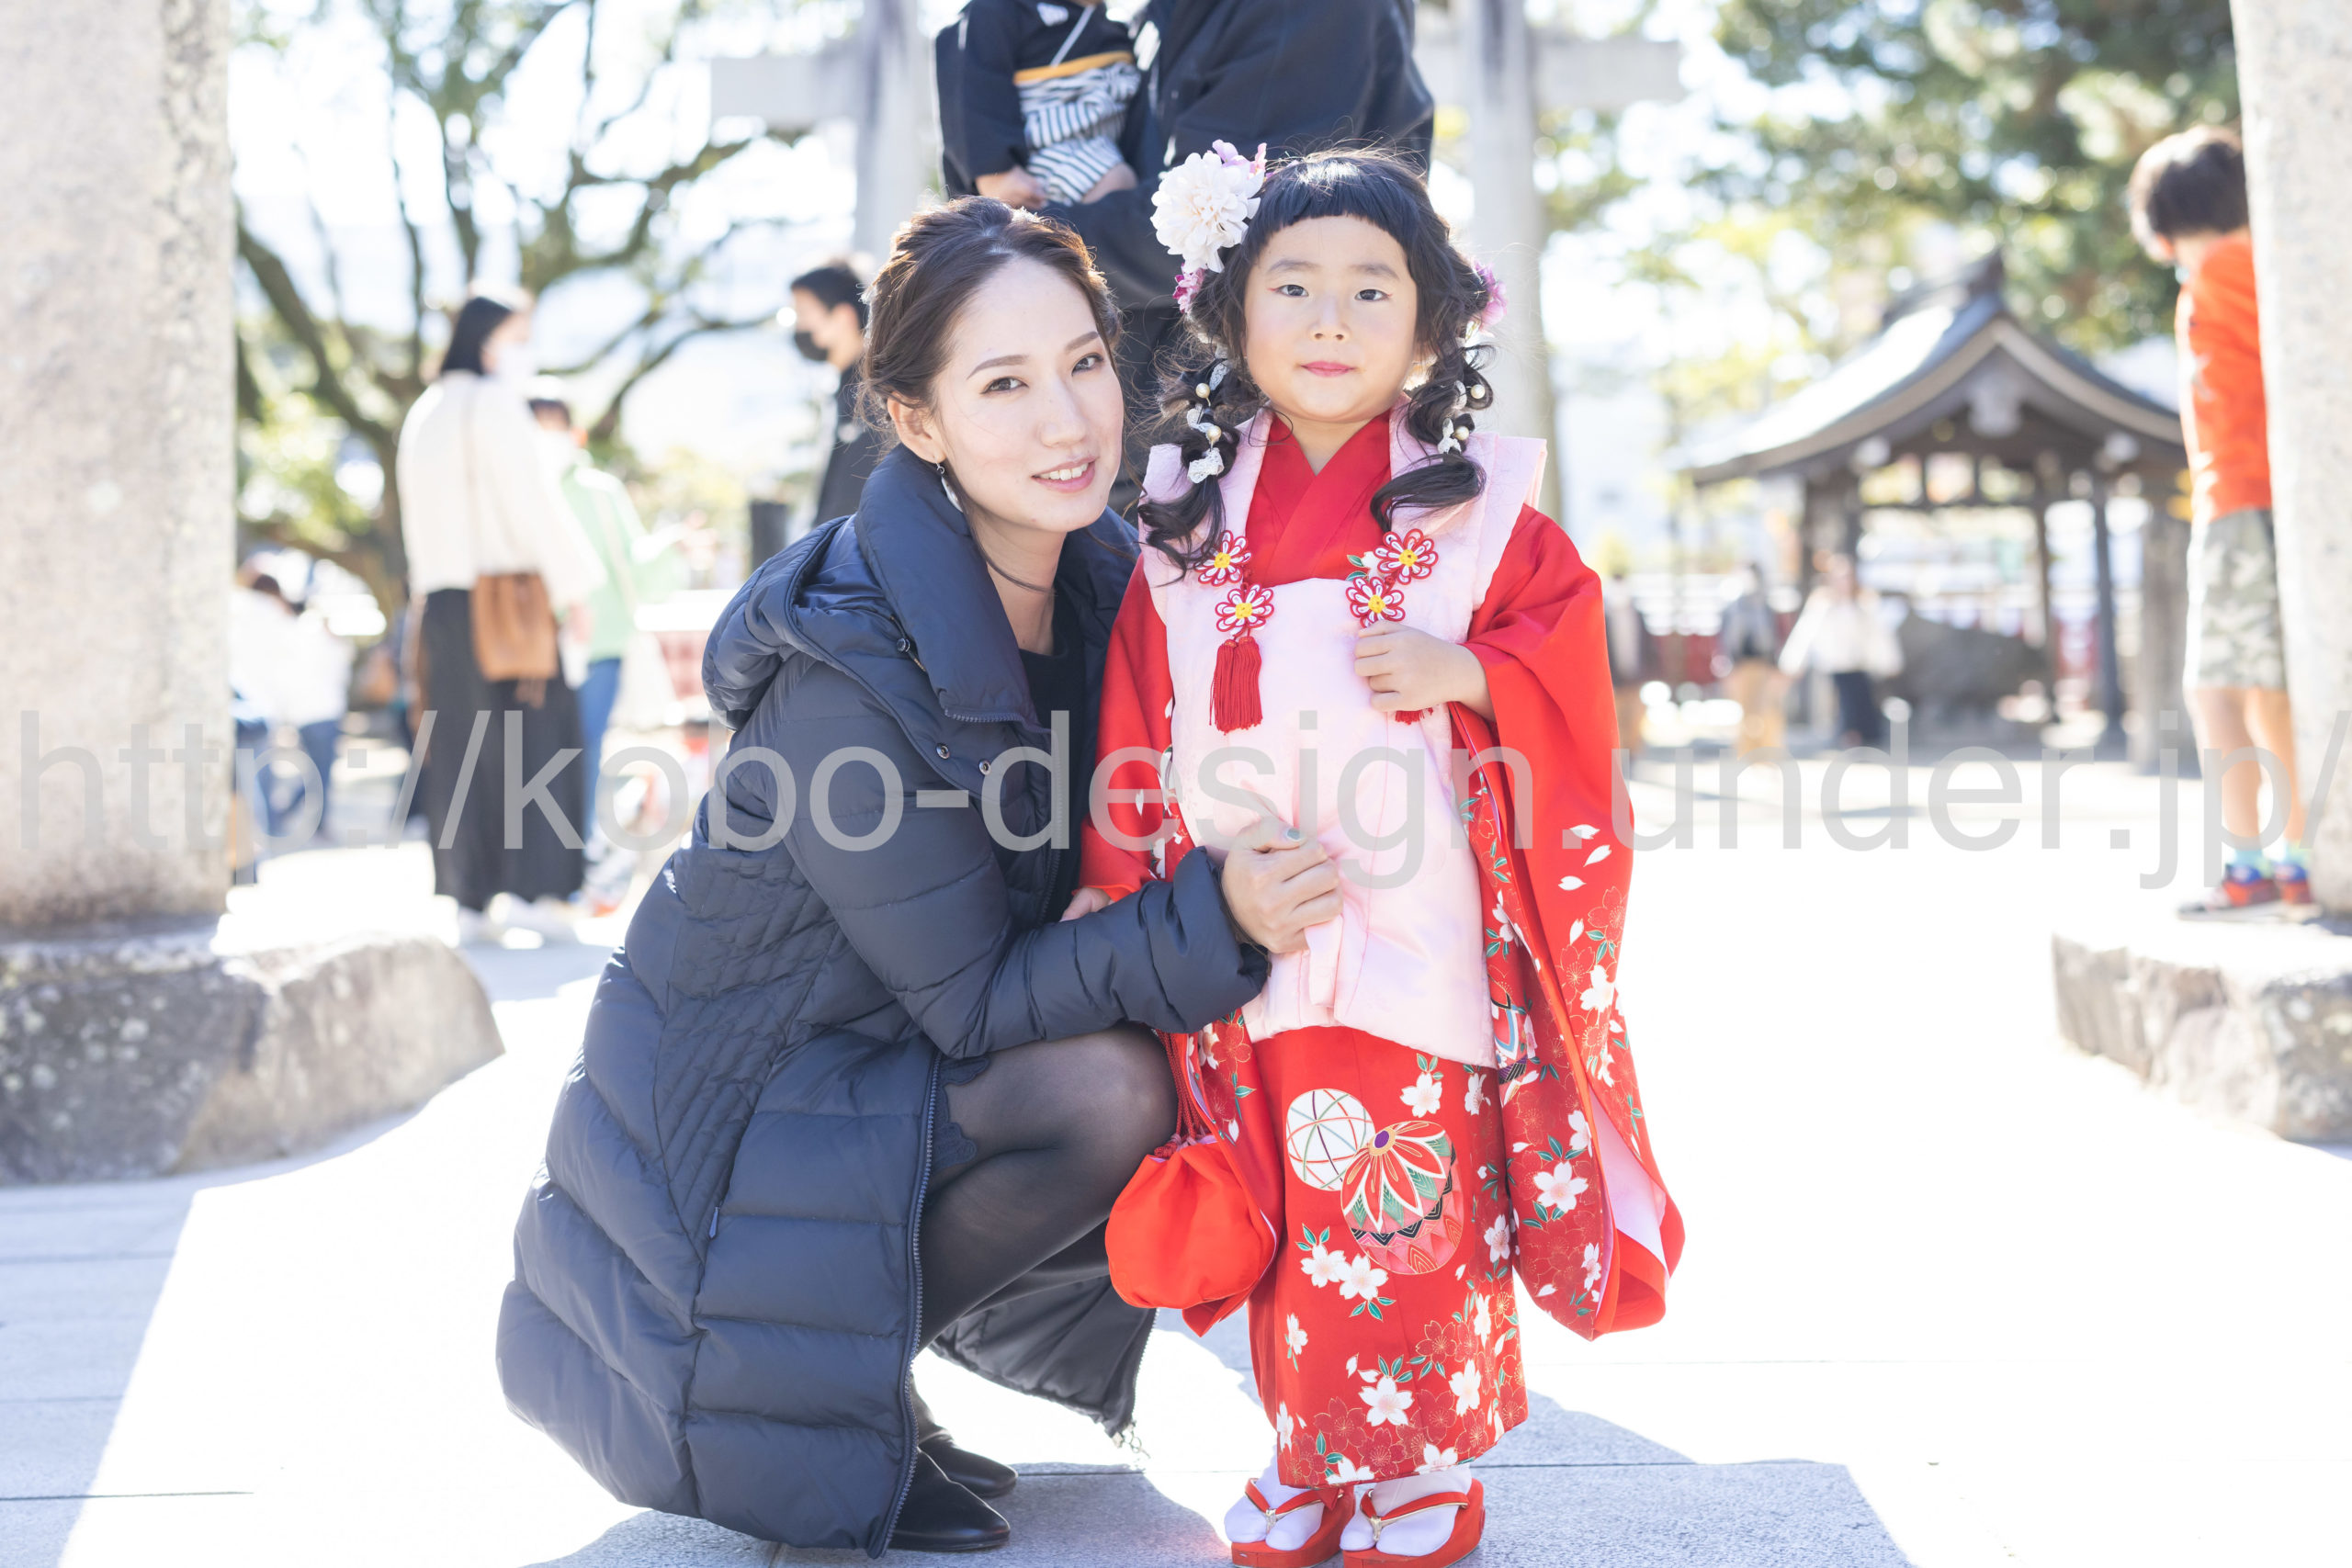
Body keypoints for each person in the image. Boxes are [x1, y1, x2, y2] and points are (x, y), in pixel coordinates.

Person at [496, 198, 1340, 1555]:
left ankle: (856, 1381)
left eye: (1083, 361)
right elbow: (975, 1002)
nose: (1067, 418)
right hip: (714, 1175)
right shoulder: (852, 661)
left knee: (1164, 1031)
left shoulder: (1106, 583)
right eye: (1002, 384)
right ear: (916, 418)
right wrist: (1207, 914)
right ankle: (809, 1395)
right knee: (1112, 1082)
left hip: (859, 1081)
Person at [1080, 149, 1681, 1568]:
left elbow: (1569, 673)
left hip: (1413, 916)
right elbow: (1133, 713)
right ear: (1229, 312)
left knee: (1402, 1191)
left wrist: (1470, 670)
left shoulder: (1480, 509)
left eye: (1372, 288)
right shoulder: (1179, 519)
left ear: (1430, 326)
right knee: (1280, 1195)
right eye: (1292, 285)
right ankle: (1306, 1448)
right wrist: (1124, 891)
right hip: (1244, 915)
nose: (1330, 318)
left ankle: (1423, 1461)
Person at [941, 0, 1433, 489]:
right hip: (1148, 444)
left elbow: (1215, 227)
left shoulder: (1302, 13)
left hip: (1222, 456)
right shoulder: (1154, 19)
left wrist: (1009, 239)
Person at [2130, 126, 2311, 918]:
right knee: (2271, 688)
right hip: (2285, 499)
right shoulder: (2276, 266)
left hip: (2238, 499)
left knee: (2215, 690)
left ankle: (2248, 862)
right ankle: (2300, 854)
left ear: (2163, 222)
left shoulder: (2214, 279)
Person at [394, 289, 604, 943]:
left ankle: (470, 897)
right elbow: (530, 504)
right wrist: (573, 589)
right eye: (520, 335)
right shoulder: (492, 404)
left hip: (443, 602)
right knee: (539, 739)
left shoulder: (425, 411)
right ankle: (536, 891)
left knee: (462, 748)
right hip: (508, 599)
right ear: (490, 339)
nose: (525, 349)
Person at [526, 389, 681, 845]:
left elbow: (634, 565)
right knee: (536, 749)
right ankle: (550, 845)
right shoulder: (516, 492)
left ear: (574, 433)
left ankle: (579, 845)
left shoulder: (600, 492)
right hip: (531, 646)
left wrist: (670, 547)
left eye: (552, 428)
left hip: (599, 644)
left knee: (584, 745)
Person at [937, 1, 1140, 209]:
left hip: (1104, 143)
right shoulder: (1003, 10)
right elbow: (971, 86)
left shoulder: (1118, 25)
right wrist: (995, 173)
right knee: (1117, 181)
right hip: (1038, 154)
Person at [788, 262, 885, 526]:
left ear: (843, 317)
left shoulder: (873, 396)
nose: (798, 327)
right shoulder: (845, 391)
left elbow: (850, 503)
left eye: (803, 314)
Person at [1779, 552, 1899, 749]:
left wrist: (1889, 661)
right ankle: (1848, 735)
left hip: (1859, 664)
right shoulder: (1823, 605)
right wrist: (1793, 663)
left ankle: (1864, 737)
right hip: (1835, 664)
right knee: (1845, 703)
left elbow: (1879, 636)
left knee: (1862, 703)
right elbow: (1805, 634)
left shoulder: (1864, 603)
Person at [1717, 562, 1787, 755]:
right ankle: (1746, 753)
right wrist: (1728, 667)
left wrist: (1776, 667)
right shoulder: (1732, 608)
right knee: (1745, 713)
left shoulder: (1765, 606)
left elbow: (1775, 637)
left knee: (1767, 711)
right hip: (1740, 667)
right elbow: (1725, 640)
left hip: (1763, 665)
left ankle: (1768, 753)